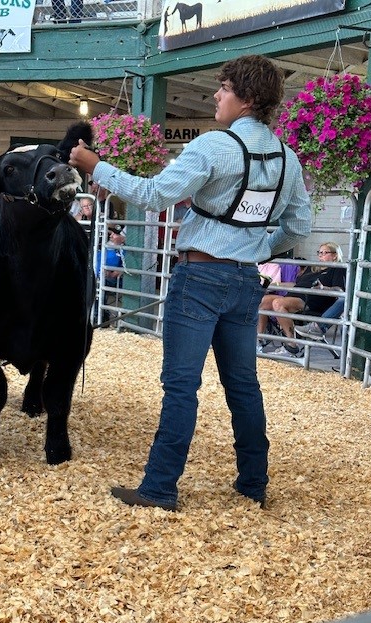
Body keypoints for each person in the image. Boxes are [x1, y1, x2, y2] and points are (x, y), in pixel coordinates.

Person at [69, 54, 312, 511]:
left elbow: (154, 195)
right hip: (244, 281)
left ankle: (160, 488)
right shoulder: (288, 159)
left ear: (247, 99)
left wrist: (95, 165)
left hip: (199, 276)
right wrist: (257, 249)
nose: (216, 95)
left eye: (224, 88)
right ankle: (252, 484)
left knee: (181, 384)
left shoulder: (211, 147)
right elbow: (298, 226)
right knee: (243, 385)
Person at [271, 242, 345, 356]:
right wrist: (275, 284)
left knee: (278, 303)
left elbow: (340, 292)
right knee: (263, 301)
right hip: (295, 294)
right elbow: (296, 284)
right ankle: (259, 343)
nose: (320, 255)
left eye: (325, 253)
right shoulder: (312, 266)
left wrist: (322, 288)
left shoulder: (337, 269)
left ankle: (291, 345)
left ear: (335, 255)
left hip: (311, 300)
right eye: (319, 253)